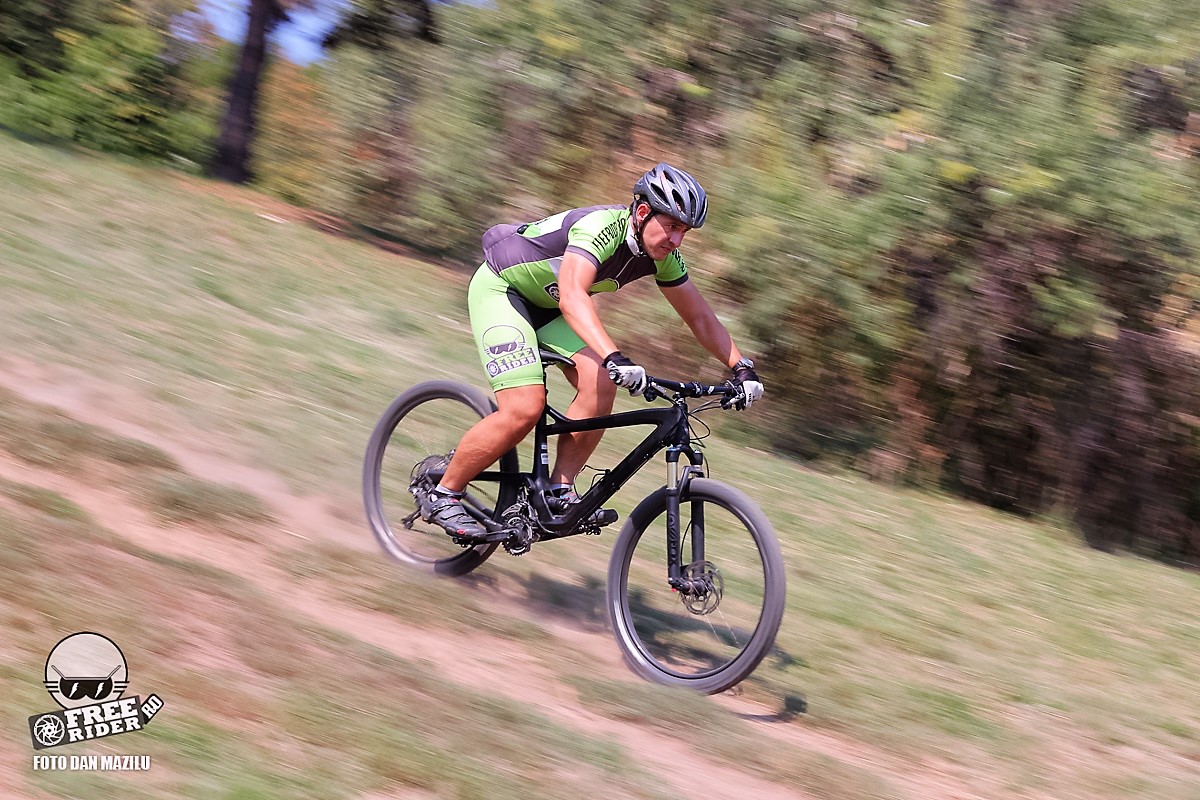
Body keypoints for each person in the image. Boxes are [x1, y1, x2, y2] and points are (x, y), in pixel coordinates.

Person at [419, 162, 764, 540]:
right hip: (504, 290)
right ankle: (443, 493)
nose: (677, 240)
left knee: (600, 380)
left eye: (684, 231)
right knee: (525, 408)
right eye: (672, 226)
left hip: (549, 307)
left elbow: (699, 317)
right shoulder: (600, 228)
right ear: (643, 212)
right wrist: (614, 355)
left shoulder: (663, 258)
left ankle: (558, 490)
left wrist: (741, 367)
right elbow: (572, 295)